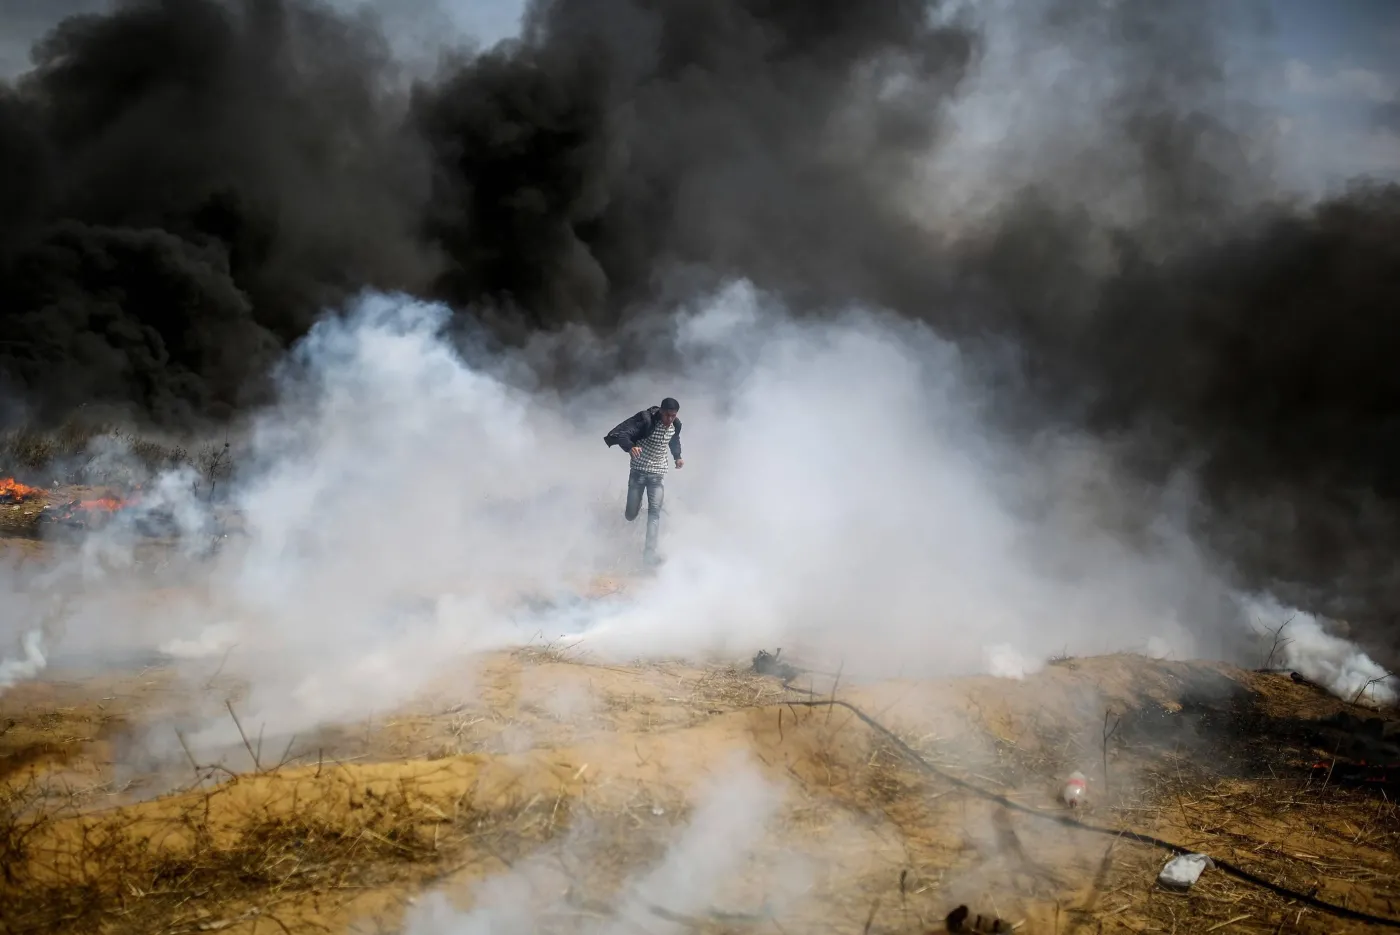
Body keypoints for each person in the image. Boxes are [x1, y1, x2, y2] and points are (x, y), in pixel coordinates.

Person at [604, 397, 684, 567]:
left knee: (654, 513)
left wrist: (677, 457)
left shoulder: (676, 425)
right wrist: (630, 447)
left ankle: (649, 556)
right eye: (667, 415)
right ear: (661, 412)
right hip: (638, 472)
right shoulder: (646, 421)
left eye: (673, 416)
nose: (670, 419)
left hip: (657, 473)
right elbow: (624, 434)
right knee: (631, 514)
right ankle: (635, 509)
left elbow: (674, 440)